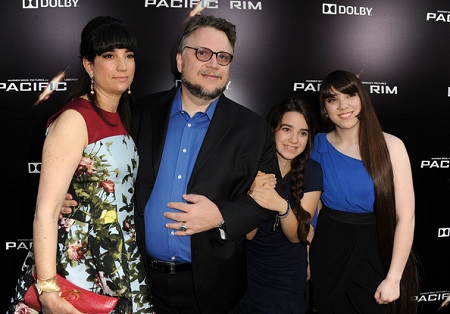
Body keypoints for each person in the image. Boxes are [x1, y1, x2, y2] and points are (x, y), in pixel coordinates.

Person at [132, 14, 282, 314]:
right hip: (137, 280)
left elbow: (268, 202)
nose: (213, 64)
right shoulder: (138, 113)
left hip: (213, 290)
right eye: (202, 53)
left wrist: (220, 215)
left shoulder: (253, 130)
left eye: (223, 57)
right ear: (179, 60)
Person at [8, 16, 153, 313]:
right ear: (89, 65)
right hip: (79, 264)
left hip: (120, 256)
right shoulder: (76, 118)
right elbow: (46, 212)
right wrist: (49, 289)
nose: (123, 66)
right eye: (109, 56)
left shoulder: (123, 117)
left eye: (129, 55)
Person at [309, 70, 419, 314]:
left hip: (374, 250)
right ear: (324, 108)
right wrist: (306, 255)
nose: (343, 105)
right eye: (332, 99)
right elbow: (312, 210)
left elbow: (406, 218)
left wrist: (393, 277)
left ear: (362, 99)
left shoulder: (391, 146)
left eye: (349, 95)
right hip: (327, 251)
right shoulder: (316, 145)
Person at [237, 98, 323, 314]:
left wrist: (281, 206)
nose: (294, 140)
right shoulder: (253, 166)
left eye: (303, 133)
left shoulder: (312, 171)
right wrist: (251, 193)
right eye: (287, 129)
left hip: (286, 276)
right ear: (273, 130)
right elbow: (248, 234)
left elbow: (297, 236)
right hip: (246, 271)